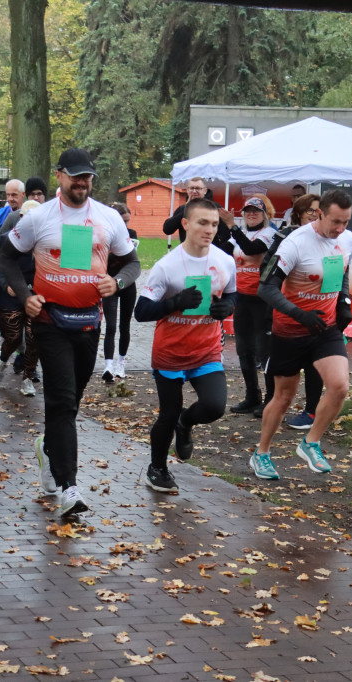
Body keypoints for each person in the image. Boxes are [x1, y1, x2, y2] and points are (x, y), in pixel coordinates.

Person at [0, 148, 140, 516]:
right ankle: (68, 488)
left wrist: (118, 281)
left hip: (90, 322)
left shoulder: (108, 218)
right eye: (75, 175)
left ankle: (48, 450)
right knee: (60, 400)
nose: (82, 182)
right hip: (50, 322)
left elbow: (132, 262)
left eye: (87, 176)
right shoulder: (38, 217)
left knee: (70, 404)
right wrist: (25, 294)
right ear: (59, 175)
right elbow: (6, 256)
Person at [250, 190, 352, 480]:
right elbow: (266, 288)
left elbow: (344, 269)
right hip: (290, 330)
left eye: (346, 222)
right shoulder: (294, 243)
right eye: (335, 222)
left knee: (340, 386)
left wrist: (344, 300)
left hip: (326, 328)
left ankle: (311, 443)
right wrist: (299, 314)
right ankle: (262, 452)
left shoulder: (345, 238)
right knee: (283, 397)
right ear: (319, 213)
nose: (340, 229)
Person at [134, 198, 236, 492]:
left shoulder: (224, 260)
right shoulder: (167, 266)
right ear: (186, 224)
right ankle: (157, 468)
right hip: (170, 353)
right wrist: (175, 302)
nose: (209, 230)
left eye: (215, 224)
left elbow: (232, 295)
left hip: (206, 351)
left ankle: (186, 422)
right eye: (203, 223)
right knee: (167, 412)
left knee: (215, 406)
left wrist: (226, 309)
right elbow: (141, 312)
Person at [260, 193, 326, 431]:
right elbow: (266, 269)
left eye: (317, 210)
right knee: (277, 362)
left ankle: (311, 412)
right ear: (298, 213)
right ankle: (272, 405)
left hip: (318, 309)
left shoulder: (329, 238)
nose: (313, 214)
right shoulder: (287, 236)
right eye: (309, 210)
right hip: (284, 310)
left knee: (315, 363)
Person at [228, 195, 276, 416]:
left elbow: (250, 249)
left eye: (256, 211)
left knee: (264, 350)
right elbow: (222, 249)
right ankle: (252, 395)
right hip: (242, 298)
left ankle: (271, 399)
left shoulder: (269, 233)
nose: (251, 214)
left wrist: (232, 228)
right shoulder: (240, 233)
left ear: (265, 214)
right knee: (244, 349)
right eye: (247, 211)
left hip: (262, 300)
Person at [0, 200, 40, 396]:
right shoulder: (6, 239)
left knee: (33, 336)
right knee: (13, 338)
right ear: (20, 218)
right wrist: (7, 284)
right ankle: (3, 357)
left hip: (35, 294)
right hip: (11, 294)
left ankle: (27, 378)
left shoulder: (44, 241)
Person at [101, 203, 138, 383]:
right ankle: (108, 365)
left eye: (127, 221)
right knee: (110, 326)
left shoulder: (131, 235)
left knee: (125, 325)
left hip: (127, 284)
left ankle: (120, 364)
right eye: (122, 221)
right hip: (110, 283)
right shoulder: (104, 235)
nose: (125, 225)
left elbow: (133, 262)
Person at [162, 177, 234, 254]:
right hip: (187, 254)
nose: (194, 191)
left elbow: (225, 235)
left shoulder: (215, 208)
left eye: (198, 188)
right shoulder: (182, 209)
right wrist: (187, 209)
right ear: (187, 190)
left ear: (205, 191)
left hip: (209, 255)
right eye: (192, 188)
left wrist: (218, 253)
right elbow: (167, 229)